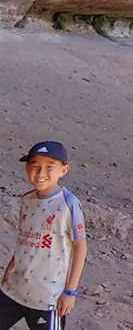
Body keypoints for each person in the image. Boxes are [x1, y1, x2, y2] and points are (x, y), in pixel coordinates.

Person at [0, 141, 88, 329]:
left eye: (50, 167)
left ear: (64, 170)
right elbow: (24, 240)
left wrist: (70, 292)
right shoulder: (27, 200)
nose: (40, 174)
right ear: (26, 168)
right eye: (35, 166)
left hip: (47, 298)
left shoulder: (68, 204)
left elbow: (80, 247)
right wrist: (9, 269)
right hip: (13, 288)